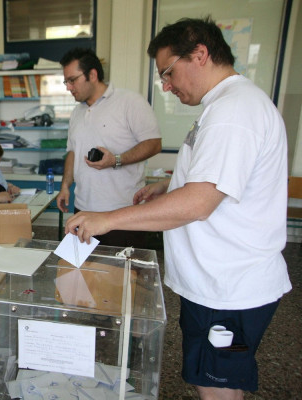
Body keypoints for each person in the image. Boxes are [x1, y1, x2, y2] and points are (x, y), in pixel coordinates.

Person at [65, 17, 292, 400]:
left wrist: (107, 219)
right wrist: (165, 186)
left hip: (230, 289)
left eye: (168, 73)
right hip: (214, 283)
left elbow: (199, 202)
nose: (166, 86)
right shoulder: (223, 106)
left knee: (217, 383)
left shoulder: (234, 113)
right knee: (220, 373)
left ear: (200, 55)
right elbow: (215, 181)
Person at [56, 47, 162, 248]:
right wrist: (64, 186)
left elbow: (154, 143)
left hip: (121, 213)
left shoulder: (129, 102)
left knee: (121, 275)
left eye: (72, 80)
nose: (68, 87)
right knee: (81, 274)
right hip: (83, 209)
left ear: (93, 75)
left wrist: (116, 160)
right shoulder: (77, 112)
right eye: (66, 81)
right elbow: (73, 151)